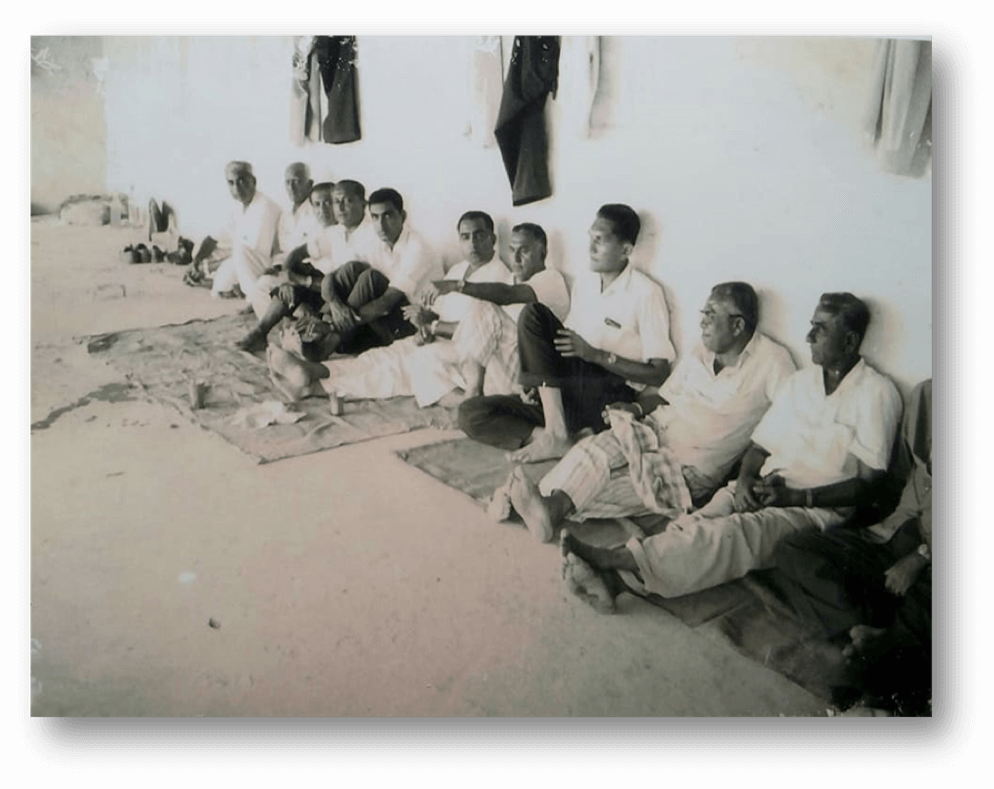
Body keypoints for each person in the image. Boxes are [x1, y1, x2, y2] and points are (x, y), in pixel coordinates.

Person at [559, 292, 903, 614]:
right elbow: (759, 446)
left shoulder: (877, 393)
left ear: (850, 341)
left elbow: (869, 487)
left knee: (730, 535)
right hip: (766, 487)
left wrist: (798, 496)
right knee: (695, 522)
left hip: (815, 511)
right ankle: (615, 583)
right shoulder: (803, 383)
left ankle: (611, 561)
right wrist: (745, 481)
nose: (809, 336)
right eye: (811, 325)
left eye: (821, 329)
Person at [498, 282, 796, 542]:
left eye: (711, 315)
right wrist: (636, 407)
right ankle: (543, 505)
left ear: (738, 325)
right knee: (593, 450)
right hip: (652, 430)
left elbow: (785, 427)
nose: (702, 322)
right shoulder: (701, 351)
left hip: (689, 465)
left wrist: (748, 476)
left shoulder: (772, 363)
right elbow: (664, 397)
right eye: (703, 313)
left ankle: (544, 505)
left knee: (620, 486)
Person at [458, 204, 675, 464]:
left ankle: (557, 434)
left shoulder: (645, 293)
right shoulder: (586, 284)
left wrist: (596, 355)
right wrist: (536, 383)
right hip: (569, 395)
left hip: (608, 394)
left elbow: (660, 373)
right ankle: (561, 438)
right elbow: (564, 343)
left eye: (600, 241)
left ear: (626, 250)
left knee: (533, 314)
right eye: (590, 238)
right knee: (471, 412)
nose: (590, 248)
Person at [772, 380, 932, 716]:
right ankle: (867, 632)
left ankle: (872, 653)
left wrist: (921, 558)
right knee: (792, 550)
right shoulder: (927, 396)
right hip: (888, 535)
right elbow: (902, 474)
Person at [265, 211, 541, 405]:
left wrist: (433, 328)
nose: (472, 243)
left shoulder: (500, 277)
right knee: (380, 357)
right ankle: (313, 378)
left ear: (493, 240)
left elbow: (483, 329)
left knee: (396, 371)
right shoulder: (458, 269)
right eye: (465, 237)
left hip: (471, 357)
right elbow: (438, 312)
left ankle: (313, 384)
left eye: (479, 236)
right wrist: (424, 320)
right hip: (437, 338)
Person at [240, 187, 438, 359]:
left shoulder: (418, 249)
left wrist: (332, 324)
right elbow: (333, 278)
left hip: (408, 323)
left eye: (388, 215)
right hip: (367, 317)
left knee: (371, 278)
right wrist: (335, 306)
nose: (381, 224)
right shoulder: (375, 240)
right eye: (376, 217)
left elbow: (385, 304)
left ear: (402, 217)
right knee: (351, 270)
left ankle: (323, 344)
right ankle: (268, 333)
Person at [183, 161, 282, 301]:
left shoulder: (265, 208)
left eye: (242, 181)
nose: (237, 188)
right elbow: (214, 238)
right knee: (200, 253)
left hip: (266, 264)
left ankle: (254, 298)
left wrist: (206, 268)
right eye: (231, 183)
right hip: (244, 260)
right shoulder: (238, 206)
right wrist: (196, 262)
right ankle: (228, 285)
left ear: (253, 181)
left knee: (239, 251)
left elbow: (253, 253)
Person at [247, 162, 321, 318]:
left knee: (263, 288)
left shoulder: (317, 211)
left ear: (310, 184)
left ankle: (291, 317)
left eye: (297, 181)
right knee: (260, 286)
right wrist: (276, 266)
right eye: (288, 182)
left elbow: (315, 252)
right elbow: (281, 250)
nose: (292, 187)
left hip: (308, 272)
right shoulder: (285, 214)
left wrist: (289, 273)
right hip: (287, 270)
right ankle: (284, 323)